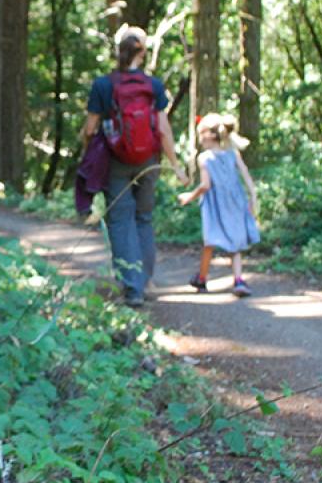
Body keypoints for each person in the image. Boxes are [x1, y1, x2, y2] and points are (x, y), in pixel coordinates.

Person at [80, 25, 184, 306]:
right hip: (148, 162)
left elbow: (91, 128)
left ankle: (132, 287)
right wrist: (175, 165)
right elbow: (163, 129)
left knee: (120, 219)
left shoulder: (103, 85)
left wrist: (87, 155)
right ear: (143, 52)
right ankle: (146, 281)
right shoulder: (154, 86)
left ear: (119, 50)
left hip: (116, 161)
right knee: (144, 218)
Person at [177, 112, 260, 296]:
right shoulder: (232, 153)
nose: (200, 139)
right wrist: (252, 196)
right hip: (235, 200)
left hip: (215, 204)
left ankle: (202, 278)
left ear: (210, 135)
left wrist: (189, 197)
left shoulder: (205, 157)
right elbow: (245, 174)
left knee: (210, 241)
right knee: (236, 242)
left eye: (201, 134)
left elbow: (206, 185)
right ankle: (238, 280)